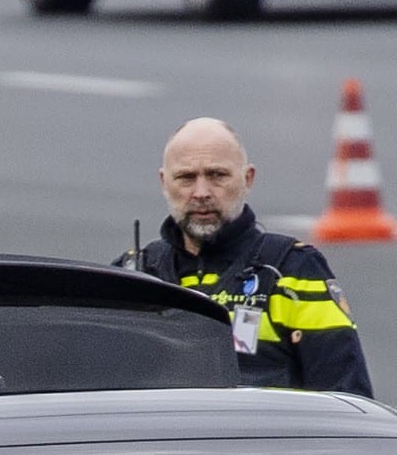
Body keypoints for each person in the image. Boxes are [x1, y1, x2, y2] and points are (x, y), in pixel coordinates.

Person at [124, 117, 373, 396]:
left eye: (217, 175)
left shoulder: (293, 272)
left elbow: (349, 402)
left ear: (247, 179)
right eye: (186, 178)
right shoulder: (134, 275)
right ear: (163, 182)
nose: (201, 192)